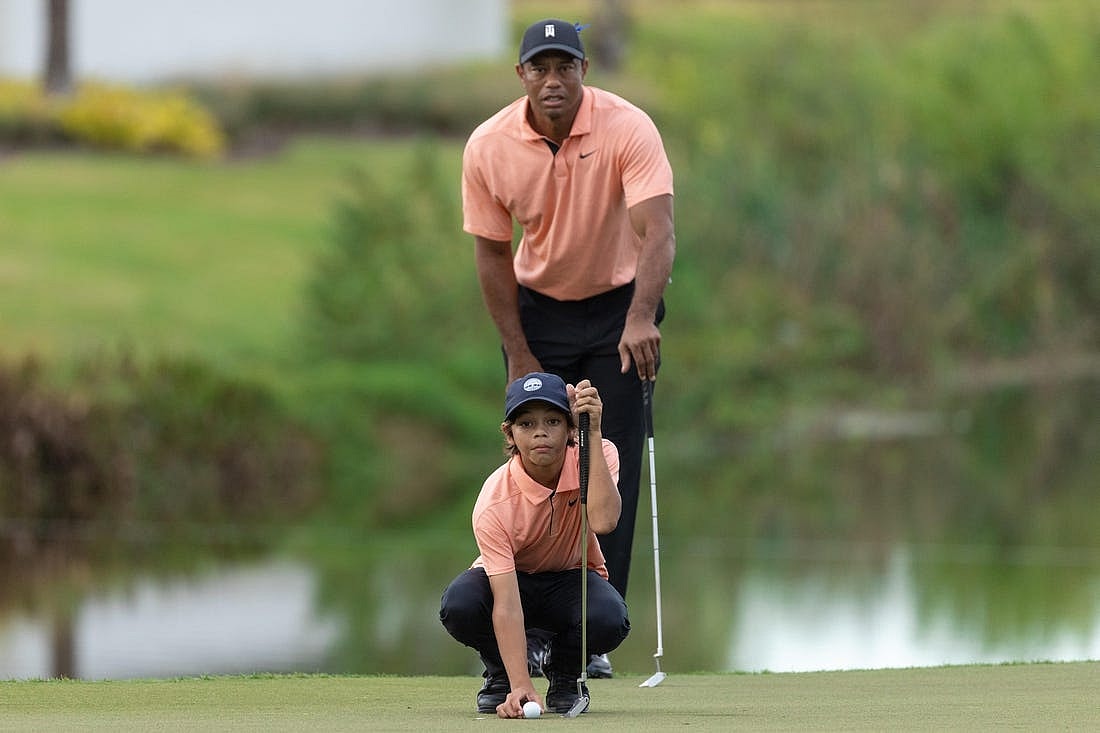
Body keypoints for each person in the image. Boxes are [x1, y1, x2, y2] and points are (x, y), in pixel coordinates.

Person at [461, 17, 675, 679]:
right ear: (522, 75)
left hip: (620, 308)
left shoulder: (627, 127)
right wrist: (519, 353)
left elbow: (659, 230)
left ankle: (594, 633)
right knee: (539, 463)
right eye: (540, 68)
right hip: (539, 309)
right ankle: (530, 631)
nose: (554, 81)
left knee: (608, 467)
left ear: (585, 70)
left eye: (567, 67)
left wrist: (642, 316)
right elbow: (493, 255)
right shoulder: (490, 145)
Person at [439, 372, 630, 717]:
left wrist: (594, 431)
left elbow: (604, 521)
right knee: (461, 603)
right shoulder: (494, 501)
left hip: (571, 578)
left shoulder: (597, 455)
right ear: (510, 434)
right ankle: (500, 676)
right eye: (526, 424)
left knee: (610, 618)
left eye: (553, 421)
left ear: (571, 428)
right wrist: (520, 685)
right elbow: (508, 604)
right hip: (513, 582)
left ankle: (564, 672)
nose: (540, 432)